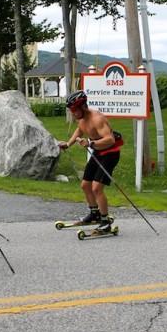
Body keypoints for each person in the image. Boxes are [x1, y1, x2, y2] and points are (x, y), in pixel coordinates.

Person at [57, 90, 124, 232]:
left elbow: (110, 139)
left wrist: (90, 143)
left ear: (82, 107)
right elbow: (79, 130)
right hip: (98, 152)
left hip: (110, 153)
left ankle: (105, 221)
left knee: (96, 187)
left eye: (73, 110)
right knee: (85, 185)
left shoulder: (97, 119)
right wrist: (68, 144)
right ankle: (95, 214)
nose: (72, 113)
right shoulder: (81, 118)